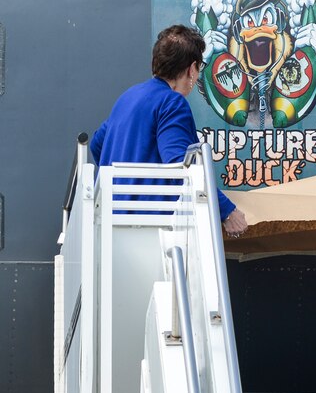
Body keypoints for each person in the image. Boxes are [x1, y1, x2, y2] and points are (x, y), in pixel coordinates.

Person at [90, 24, 248, 237]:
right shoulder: (172, 103)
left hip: (108, 223)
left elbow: (97, 144)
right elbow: (180, 165)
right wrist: (227, 212)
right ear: (192, 69)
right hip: (149, 230)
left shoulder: (128, 97)